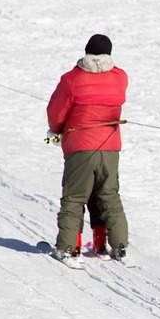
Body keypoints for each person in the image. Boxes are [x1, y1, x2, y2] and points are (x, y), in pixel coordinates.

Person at [46, 34, 130, 264]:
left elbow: (56, 112)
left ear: (86, 52)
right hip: (110, 146)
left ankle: (69, 248)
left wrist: (55, 131)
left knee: (74, 198)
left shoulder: (71, 79)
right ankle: (119, 246)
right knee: (109, 195)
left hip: (80, 146)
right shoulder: (120, 77)